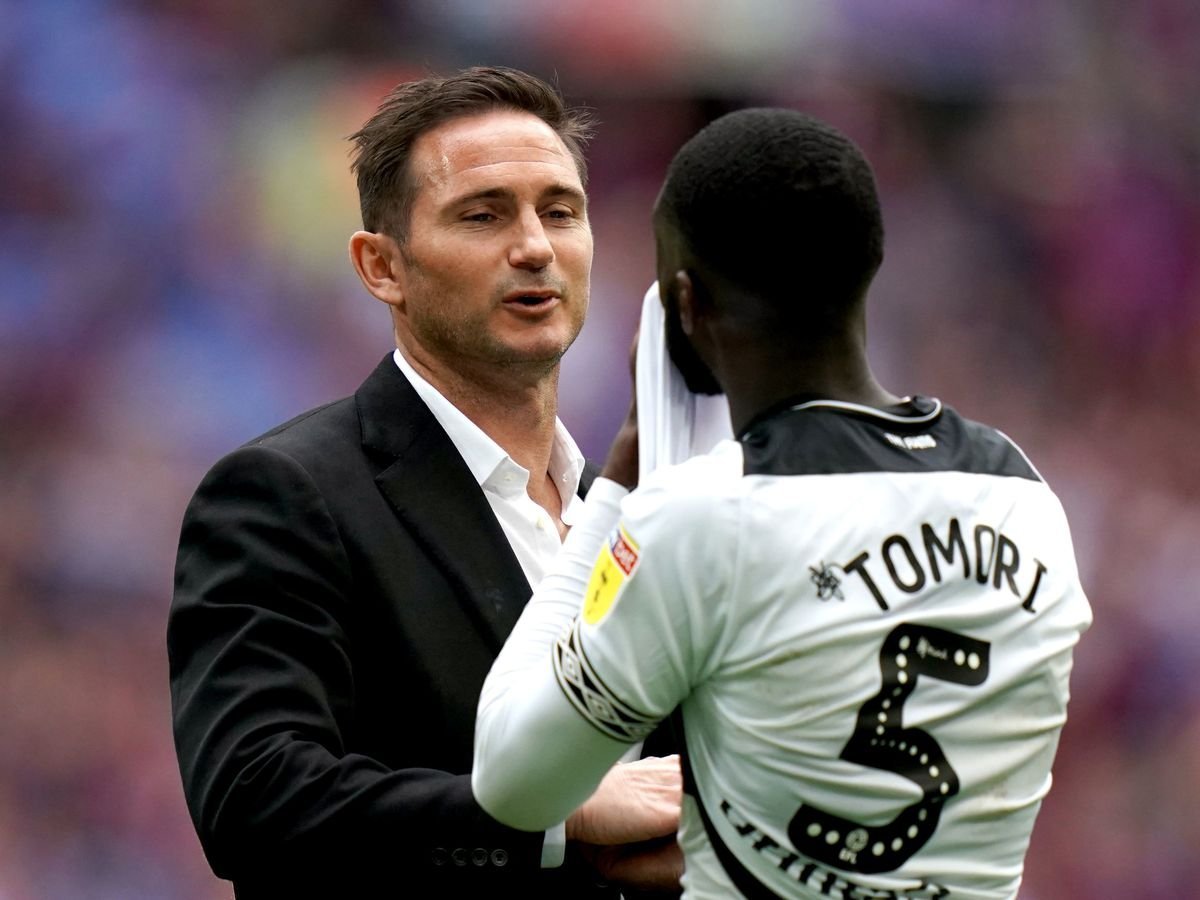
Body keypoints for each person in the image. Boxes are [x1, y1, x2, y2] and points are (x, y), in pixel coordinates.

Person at [472, 108, 1092, 899]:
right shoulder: (1024, 494)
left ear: (685, 306)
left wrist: (617, 494)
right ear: (867, 270)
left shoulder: (702, 518)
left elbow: (512, 783)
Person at [168, 66, 682, 899]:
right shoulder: (286, 495)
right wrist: (554, 821)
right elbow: (255, 797)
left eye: (560, 211)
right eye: (483, 215)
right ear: (382, 266)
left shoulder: (639, 514)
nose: (535, 247)